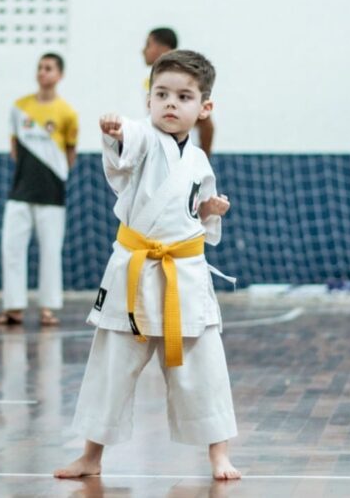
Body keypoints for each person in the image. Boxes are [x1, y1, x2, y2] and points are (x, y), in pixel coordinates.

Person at [55, 50, 239, 480]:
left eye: (183, 96)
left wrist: (209, 207)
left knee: (205, 365)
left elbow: (194, 213)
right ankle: (91, 456)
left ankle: (219, 455)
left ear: (204, 107)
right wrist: (117, 131)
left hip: (184, 276)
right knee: (112, 366)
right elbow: (127, 149)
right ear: (148, 100)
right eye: (161, 94)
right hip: (135, 272)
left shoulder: (198, 159)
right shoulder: (142, 137)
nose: (171, 104)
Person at [0, 53, 78, 327]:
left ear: (60, 75)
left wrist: (54, 173)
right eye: (40, 67)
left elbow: (70, 152)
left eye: (49, 68)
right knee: (12, 248)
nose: (43, 72)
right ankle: (14, 308)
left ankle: (48, 309)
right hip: (20, 192)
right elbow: (15, 147)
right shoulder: (20, 108)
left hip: (52, 195)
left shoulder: (67, 113)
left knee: (51, 251)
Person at [141, 28, 214, 156]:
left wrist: (204, 160)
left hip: (183, 159)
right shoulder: (153, 81)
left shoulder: (183, 79)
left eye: (148, 44)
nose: (143, 51)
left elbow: (207, 125)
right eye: (161, 94)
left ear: (161, 48)